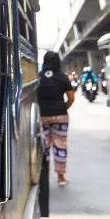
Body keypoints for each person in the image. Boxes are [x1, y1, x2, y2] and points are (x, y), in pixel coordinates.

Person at [37, 51, 75, 186]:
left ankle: (44, 178)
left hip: (42, 116)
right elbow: (71, 97)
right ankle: (60, 178)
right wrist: (64, 108)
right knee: (60, 146)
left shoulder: (39, 77)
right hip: (60, 116)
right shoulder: (62, 77)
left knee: (44, 147)